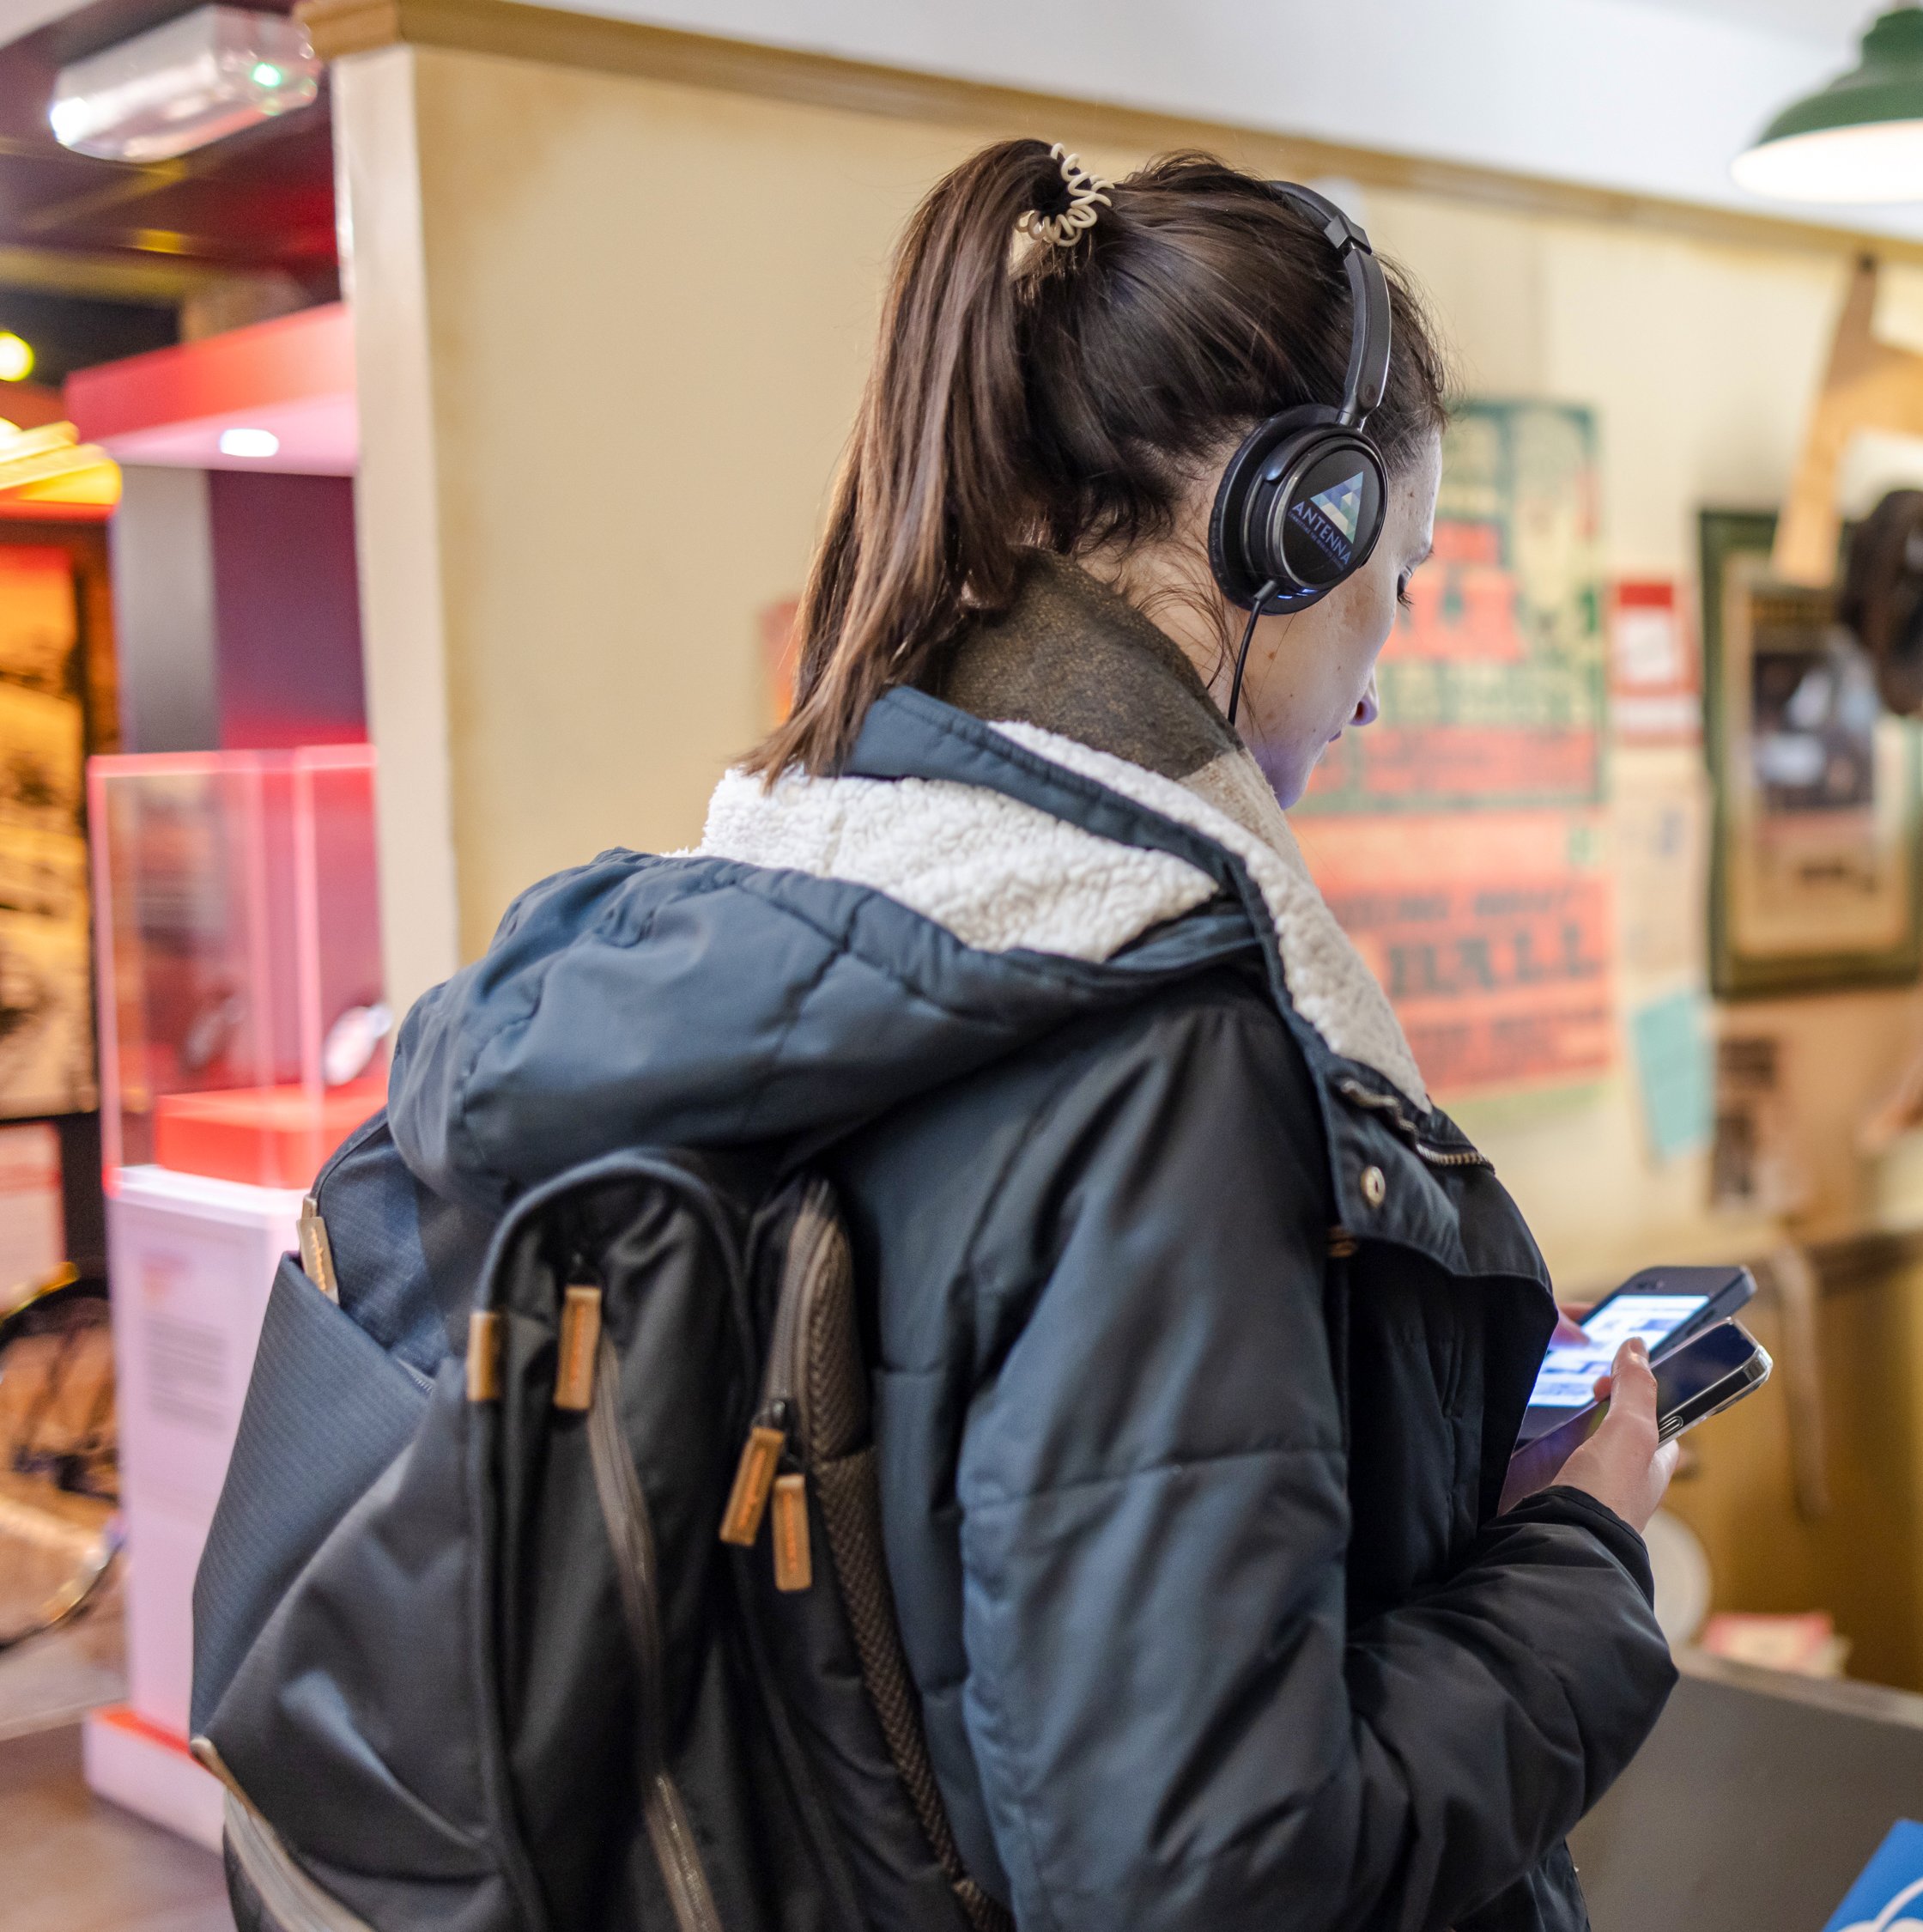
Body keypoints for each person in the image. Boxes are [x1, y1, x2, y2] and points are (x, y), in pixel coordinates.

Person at [388, 141, 1677, 1930]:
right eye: (1404, 569)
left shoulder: (764, 913)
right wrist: (1586, 1561)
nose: (1381, 680)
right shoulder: (1170, 1068)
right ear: (1291, 526)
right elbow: (1209, 1878)